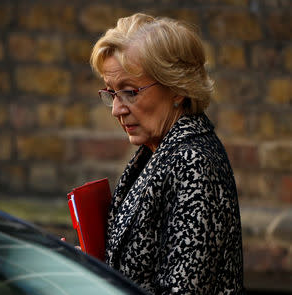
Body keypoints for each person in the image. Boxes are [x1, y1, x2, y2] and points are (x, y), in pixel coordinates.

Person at [90, 13, 244, 294]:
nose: (116, 109)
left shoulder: (194, 164)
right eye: (111, 93)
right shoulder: (158, 148)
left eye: (130, 92)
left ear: (177, 89)